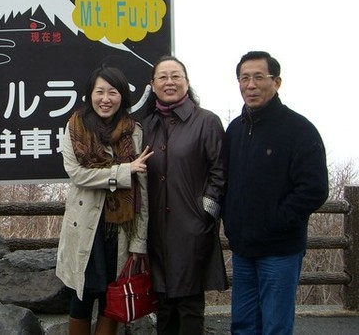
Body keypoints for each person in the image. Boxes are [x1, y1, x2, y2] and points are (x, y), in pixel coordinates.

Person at [222, 50, 329, 335]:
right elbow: (225, 181)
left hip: (279, 250)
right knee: (243, 325)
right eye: (244, 78)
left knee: (275, 327)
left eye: (259, 77)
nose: (250, 85)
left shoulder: (299, 129)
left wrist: (275, 221)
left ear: (277, 82)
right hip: (244, 249)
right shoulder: (235, 129)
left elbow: (314, 189)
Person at [56, 65, 152, 335]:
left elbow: (141, 190)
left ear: (123, 96)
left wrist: (139, 243)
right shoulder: (75, 127)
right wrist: (123, 172)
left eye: (113, 92)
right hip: (85, 227)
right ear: (90, 94)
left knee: (113, 298)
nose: (105, 98)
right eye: (99, 91)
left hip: (120, 229)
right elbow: (77, 174)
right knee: (81, 297)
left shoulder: (134, 132)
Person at [142, 55, 228, 335]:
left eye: (176, 76)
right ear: (153, 85)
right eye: (163, 77)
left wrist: (205, 213)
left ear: (187, 82)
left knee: (190, 304)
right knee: (163, 303)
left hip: (191, 226)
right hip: (155, 228)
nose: (169, 82)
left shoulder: (206, 121)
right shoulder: (147, 126)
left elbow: (220, 172)